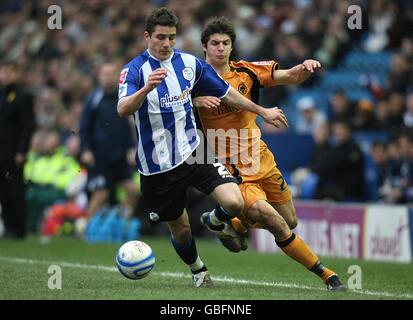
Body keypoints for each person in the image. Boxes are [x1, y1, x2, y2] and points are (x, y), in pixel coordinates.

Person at [117, 7, 288, 288]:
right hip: (157, 166)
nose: (166, 44)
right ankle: (198, 270)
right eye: (160, 37)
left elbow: (227, 92)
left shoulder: (190, 64)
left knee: (234, 201)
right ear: (147, 36)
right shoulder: (134, 70)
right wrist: (145, 89)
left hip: (194, 151)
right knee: (181, 228)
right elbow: (123, 109)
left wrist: (262, 110)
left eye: (171, 37)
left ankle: (215, 220)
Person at [194, 17, 346, 290]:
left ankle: (234, 224)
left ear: (232, 46)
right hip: (233, 171)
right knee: (276, 222)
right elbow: (170, 104)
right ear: (204, 47)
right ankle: (328, 275)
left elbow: (289, 75)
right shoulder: (194, 79)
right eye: (214, 43)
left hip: (262, 158)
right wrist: (194, 100)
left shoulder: (247, 72)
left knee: (290, 220)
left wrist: (305, 67)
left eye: (226, 43)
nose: (220, 48)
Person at [79, 62, 138, 219]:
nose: (108, 78)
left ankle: (119, 225)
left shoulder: (125, 97)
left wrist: (132, 148)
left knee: (132, 191)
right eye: (105, 74)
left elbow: (130, 126)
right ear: (99, 77)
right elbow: (84, 127)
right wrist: (85, 149)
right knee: (101, 194)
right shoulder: (94, 99)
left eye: (111, 74)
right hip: (100, 156)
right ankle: (88, 230)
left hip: (121, 154)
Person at [0, 62, 35, 239]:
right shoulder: (3, 94)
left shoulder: (22, 95)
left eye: (7, 71)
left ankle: (19, 229)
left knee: (15, 190)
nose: (3, 75)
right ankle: (8, 227)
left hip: (13, 152)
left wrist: (22, 150)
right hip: (1, 152)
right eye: (2, 71)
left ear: (15, 73)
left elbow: (28, 126)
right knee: (3, 192)